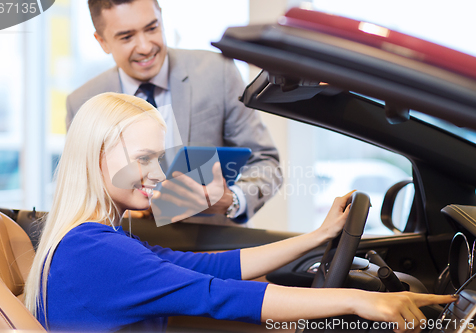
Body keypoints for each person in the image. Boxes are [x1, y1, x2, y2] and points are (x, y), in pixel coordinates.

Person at [25, 93, 456, 332]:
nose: (158, 173)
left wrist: (318, 237)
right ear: (95, 154)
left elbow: (213, 268)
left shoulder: (97, 240)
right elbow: (214, 293)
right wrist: (358, 301)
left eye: (160, 158)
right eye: (143, 158)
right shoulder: (93, 251)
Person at [65, 0, 282, 224]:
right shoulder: (83, 102)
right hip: (128, 248)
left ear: (161, 18)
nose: (145, 47)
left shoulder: (218, 73)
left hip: (211, 246)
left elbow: (266, 162)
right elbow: (81, 189)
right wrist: (114, 207)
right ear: (102, 42)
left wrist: (233, 200)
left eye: (152, 28)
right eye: (126, 37)